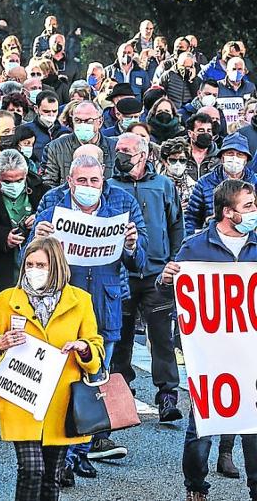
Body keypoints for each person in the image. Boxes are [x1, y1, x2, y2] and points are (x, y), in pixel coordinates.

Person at [29, 154, 146, 479]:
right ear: (70, 181)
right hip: (60, 306)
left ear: (103, 180)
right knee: (60, 383)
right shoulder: (52, 201)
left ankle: (80, 452)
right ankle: (60, 458)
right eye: (82, 181)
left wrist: (132, 245)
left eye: (94, 181)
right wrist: (37, 235)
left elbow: (140, 261)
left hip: (104, 306)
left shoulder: (121, 201)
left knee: (95, 380)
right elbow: (31, 255)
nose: (88, 187)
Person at [0, 236, 104, 501]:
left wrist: (83, 348)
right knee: (32, 469)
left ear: (57, 267)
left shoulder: (80, 300)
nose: (33, 270)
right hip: (21, 397)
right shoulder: (7, 299)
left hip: (61, 400)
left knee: (51, 475)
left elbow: (96, 348)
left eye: (41, 265)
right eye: (29, 264)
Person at [162, 179, 257, 501]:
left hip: (251, 351)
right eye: (248, 206)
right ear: (228, 212)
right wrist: (166, 279)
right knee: (203, 423)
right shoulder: (195, 247)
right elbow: (172, 294)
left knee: (254, 426)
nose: (255, 211)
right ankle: (196, 487)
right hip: (210, 351)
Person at [108, 132, 184, 423]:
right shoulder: (110, 186)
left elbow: (176, 224)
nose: (121, 155)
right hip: (122, 272)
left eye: (126, 150)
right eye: (118, 150)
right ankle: (121, 391)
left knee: (162, 336)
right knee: (122, 335)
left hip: (157, 273)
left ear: (143, 154)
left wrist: (175, 260)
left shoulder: (163, 185)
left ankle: (167, 394)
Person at [0, 150, 48, 295]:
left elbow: (53, 218)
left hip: (36, 261)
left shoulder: (41, 189)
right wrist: (2, 237)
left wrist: (40, 218)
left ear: (26, 175)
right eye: (7, 182)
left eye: (19, 180)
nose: (14, 185)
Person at [186, 133, 257, 233]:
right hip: (213, 242)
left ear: (246, 160)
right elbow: (191, 219)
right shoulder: (204, 183)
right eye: (230, 153)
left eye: (240, 154)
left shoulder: (255, 182)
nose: (234, 158)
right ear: (222, 157)